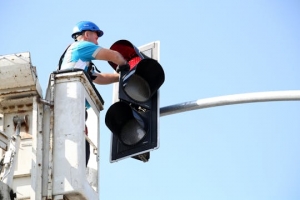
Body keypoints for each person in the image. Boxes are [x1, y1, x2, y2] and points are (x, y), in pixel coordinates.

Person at [59, 21, 128, 166]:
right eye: (96, 36)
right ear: (87, 34)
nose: (97, 40)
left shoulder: (80, 61)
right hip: (70, 102)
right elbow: (113, 56)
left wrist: (120, 77)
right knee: (79, 144)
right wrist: (126, 67)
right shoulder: (81, 46)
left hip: (71, 104)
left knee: (82, 145)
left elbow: (99, 78)